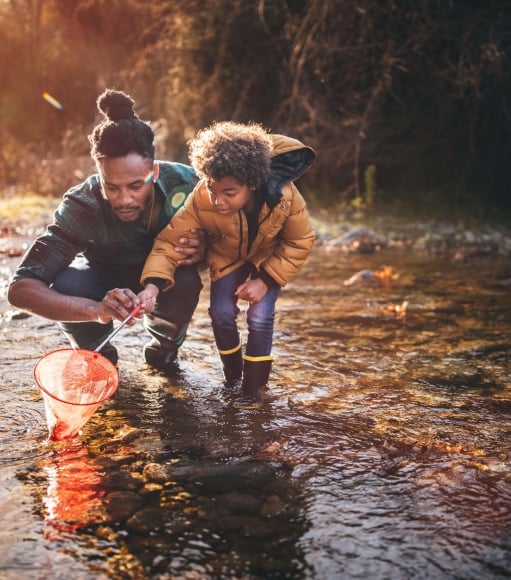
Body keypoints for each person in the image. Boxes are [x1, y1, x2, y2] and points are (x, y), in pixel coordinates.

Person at [7, 89, 205, 370]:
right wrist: (94, 311)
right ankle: (99, 360)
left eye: (136, 186)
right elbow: (21, 289)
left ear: (155, 172)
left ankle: (164, 350)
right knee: (67, 284)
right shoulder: (82, 204)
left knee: (187, 280)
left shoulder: (188, 185)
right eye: (111, 187)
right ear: (99, 173)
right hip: (100, 279)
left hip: (165, 280)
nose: (124, 199)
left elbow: (239, 234)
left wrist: (205, 249)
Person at [137, 121, 316, 403]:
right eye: (212, 188)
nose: (218, 200)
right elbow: (170, 242)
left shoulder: (285, 196)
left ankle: (253, 390)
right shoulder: (201, 198)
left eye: (229, 193)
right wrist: (152, 285)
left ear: (252, 183)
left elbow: (301, 240)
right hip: (227, 256)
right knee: (220, 313)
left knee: (259, 316)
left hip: (268, 259)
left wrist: (266, 280)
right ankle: (233, 380)